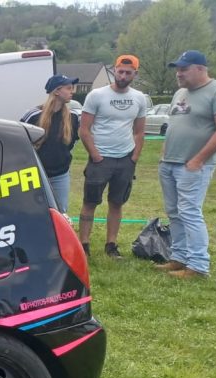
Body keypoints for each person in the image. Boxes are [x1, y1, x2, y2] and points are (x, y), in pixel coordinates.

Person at [156, 50, 216, 279]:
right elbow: (174, 124)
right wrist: (164, 153)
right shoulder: (180, 93)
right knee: (174, 212)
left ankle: (198, 265)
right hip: (169, 163)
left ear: (201, 69)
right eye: (177, 69)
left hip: (193, 165)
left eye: (184, 69)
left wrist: (199, 159)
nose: (179, 74)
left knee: (190, 212)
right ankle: (179, 257)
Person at [77, 54, 147, 258]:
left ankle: (111, 245)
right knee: (90, 202)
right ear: (114, 70)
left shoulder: (139, 98)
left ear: (135, 74)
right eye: (120, 71)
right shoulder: (96, 95)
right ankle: (84, 245)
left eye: (128, 73)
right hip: (100, 159)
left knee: (117, 203)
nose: (123, 76)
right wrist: (95, 155)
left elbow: (139, 132)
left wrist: (134, 158)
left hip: (125, 159)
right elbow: (84, 130)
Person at [21, 74, 81, 213]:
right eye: (68, 88)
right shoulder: (33, 115)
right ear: (57, 91)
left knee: (60, 212)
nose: (72, 91)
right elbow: (21, 140)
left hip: (60, 174)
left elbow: (74, 141)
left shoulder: (73, 117)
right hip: (34, 173)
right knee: (32, 210)